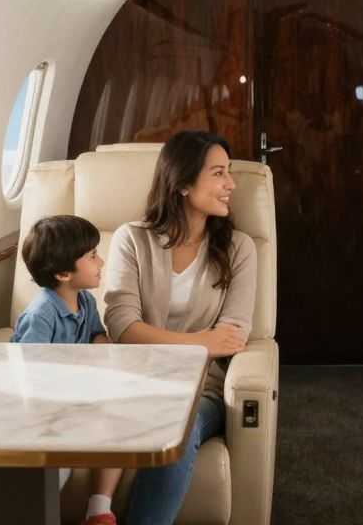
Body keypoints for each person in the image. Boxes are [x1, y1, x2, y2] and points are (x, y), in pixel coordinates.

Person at [104, 131, 257, 525]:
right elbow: (122, 325)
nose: (231, 184)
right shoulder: (131, 239)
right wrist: (201, 342)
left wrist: (165, 343)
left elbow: (232, 335)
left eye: (229, 172)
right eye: (219, 173)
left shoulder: (239, 248)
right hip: (134, 382)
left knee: (180, 428)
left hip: (202, 389)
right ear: (183, 184)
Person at [11, 214, 122, 525]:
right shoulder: (41, 314)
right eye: (93, 256)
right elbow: (29, 372)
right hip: (42, 409)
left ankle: (99, 509)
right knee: (56, 463)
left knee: (119, 420)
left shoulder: (85, 301)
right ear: (63, 273)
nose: (101, 261)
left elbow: (96, 334)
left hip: (73, 399)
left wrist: (106, 352)